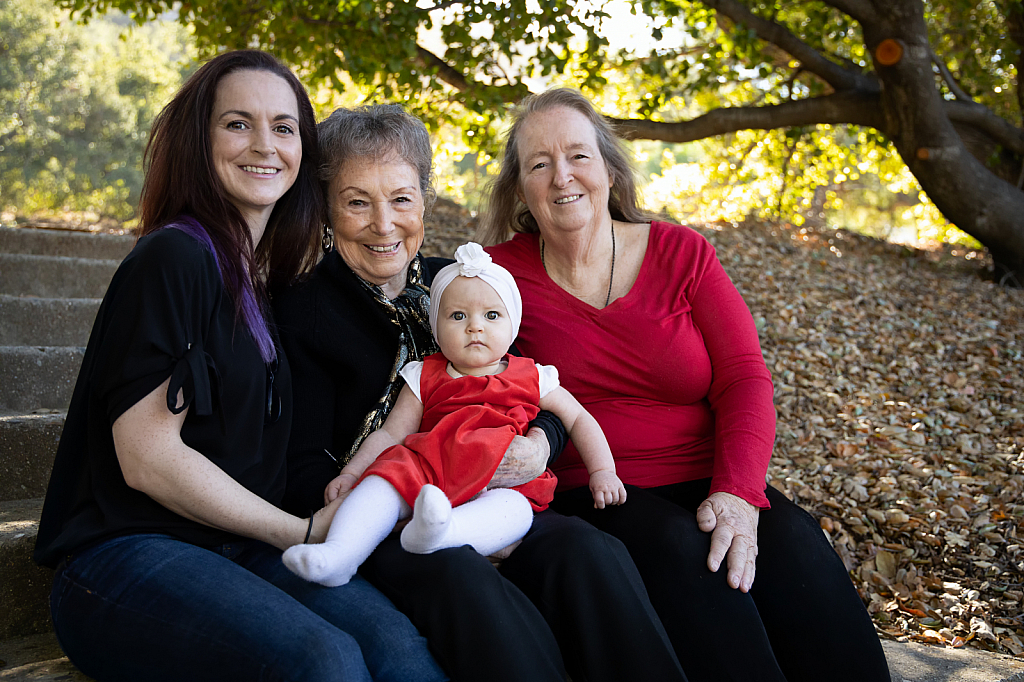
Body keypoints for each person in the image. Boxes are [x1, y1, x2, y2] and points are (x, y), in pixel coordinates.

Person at [32, 50, 445, 682]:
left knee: (399, 649)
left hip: (235, 551)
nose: (264, 144)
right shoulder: (174, 257)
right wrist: (296, 530)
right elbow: (147, 457)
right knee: (323, 660)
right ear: (201, 138)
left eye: (283, 127)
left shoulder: (259, 278)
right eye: (237, 123)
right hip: (125, 557)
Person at [479, 87, 892, 682]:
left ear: (609, 171)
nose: (561, 175)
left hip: (708, 473)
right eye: (538, 163)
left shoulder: (682, 253)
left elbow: (745, 378)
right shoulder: (498, 278)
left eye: (578, 156)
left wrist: (738, 494)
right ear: (520, 187)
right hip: (596, 488)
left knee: (794, 541)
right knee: (679, 548)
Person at [273, 104, 687, 682]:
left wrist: (540, 445)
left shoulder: (466, 284)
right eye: (357, 201)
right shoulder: (302, 313)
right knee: (465, 581)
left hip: (496, 489)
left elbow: (536, 385)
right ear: (326, 208)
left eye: (400, 198)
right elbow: (301, 467)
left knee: (589, 552)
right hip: (383, 514)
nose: (384, 224)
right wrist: (390, 504)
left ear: (425, 200)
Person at [282, 242, 626, 587]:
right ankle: (340, 554)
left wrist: (603, 470)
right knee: (378, 487)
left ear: (513, 324)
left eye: (491, 315)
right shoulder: (424, 374)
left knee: (514, 512)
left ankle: (443, 533)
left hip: (499, 482)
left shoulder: (533, 375)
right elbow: (390, 435)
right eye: (458, 316)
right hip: (427, 471)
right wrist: (354, 473)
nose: (474, 327)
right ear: (436, 327)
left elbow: (578, 418)